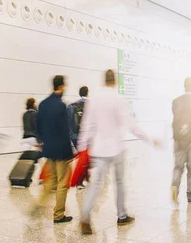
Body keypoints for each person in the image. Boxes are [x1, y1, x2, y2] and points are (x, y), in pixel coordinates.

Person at [78, 70, 161, 234]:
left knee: (95, 185)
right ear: (115, 82)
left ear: (104, 81)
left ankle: (85, 217)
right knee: (120, 183)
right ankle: (122, 216)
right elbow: (132, 126)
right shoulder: (119, 99)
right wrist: (149, 139)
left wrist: (81, 148)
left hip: (99, 149)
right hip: (116, 148)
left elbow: (87, 126)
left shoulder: (94, 100)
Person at [34, 75, 74, 223]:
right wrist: (70, 151)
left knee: (50, 180)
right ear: (62, 86)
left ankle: (38, 204)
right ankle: (59, 215)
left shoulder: (43, 104)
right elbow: (64, 130)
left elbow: (37, 126)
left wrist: (42, 141)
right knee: (63, 183)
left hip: (49, 149)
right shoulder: (61, 105)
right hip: (61, 150)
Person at [68, 86, 89, 189]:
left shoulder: (72, 106)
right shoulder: (91, 104)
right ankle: (80, 182)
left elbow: (68, 122)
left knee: (84, 157)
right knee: (85, 158)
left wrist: (70, 136)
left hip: (75, 136)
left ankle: (85, 178)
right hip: (87, 136)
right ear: (87, 93)